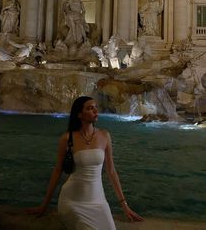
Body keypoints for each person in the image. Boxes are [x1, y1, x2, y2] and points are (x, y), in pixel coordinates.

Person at [27, 96, 143, 229]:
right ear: (79, 114)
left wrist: (125, 206)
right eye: (89, 108)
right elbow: (58, 170)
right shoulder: (67, 138)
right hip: (72, 201)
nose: (95, 111)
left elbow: (111, 171)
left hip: (99, 202)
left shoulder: (105, 135)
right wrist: (44, 205)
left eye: (95, 107)